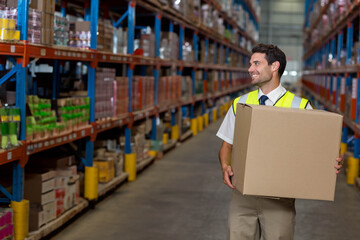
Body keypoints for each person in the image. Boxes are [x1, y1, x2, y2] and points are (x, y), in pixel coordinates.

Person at [216, 44, 343, 240]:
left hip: (279, 199)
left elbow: (319, 149)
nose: (250, 69)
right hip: (242, 197)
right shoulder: (240, 103)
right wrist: (225, 166)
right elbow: (227, 145)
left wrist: (330, 162)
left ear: (275, 66)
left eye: (256, 63)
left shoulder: (300, 106)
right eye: (251, 64)